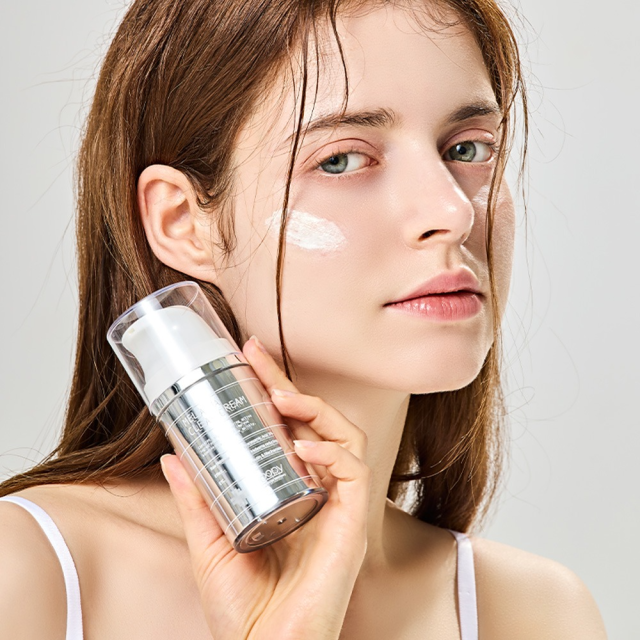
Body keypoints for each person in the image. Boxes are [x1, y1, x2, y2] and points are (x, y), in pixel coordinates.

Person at [0, 0, 608, 638]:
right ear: (182, 222)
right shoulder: (31, 570)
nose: (451, 212)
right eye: (342, 160)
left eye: (468, 147)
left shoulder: (536, 613)